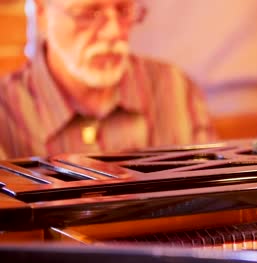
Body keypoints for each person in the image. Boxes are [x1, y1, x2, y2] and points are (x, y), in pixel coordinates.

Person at [0, 0, 215, 159]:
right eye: (88, 13)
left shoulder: (173, 88)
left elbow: (213, 198)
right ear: (41, 14)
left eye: (123, 10)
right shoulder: (6, 111)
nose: (113, 31)